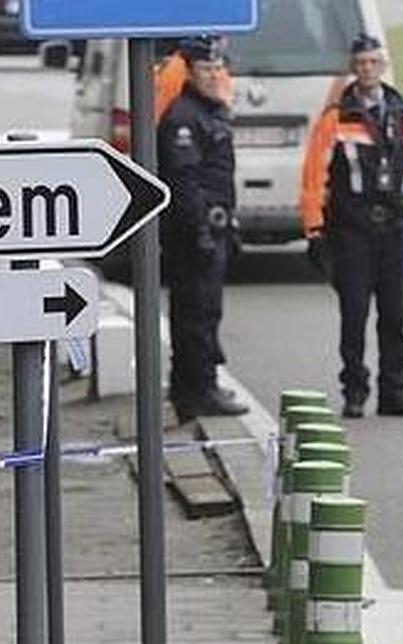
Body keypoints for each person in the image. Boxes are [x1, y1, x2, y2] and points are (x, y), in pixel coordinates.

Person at [300, 33, 403, 418]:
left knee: (394, 318)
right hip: (351, 233)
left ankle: (393, 392)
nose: (367, 69)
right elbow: (313, 177)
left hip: (395, 231)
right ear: (353, 69)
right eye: (360, 64)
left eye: (374, 62)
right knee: (354, 316)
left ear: (383, 65)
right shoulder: (335, 117)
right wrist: (314, 231)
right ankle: (355, 392)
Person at [157, 36, 247, 420]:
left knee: (203, 311)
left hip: (213, 225)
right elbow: (185, 181)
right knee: (197, 314)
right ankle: (200, 389)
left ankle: (188, 389)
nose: (212, 75)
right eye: (204, 70)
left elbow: (218, 176)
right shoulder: (184, 116)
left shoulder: (210, 111)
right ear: (189, 73)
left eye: (216, 69)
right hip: (192, 231)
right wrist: (200, 231)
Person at [155, 36, 234, 124]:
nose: (215, 76)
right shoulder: (176, 70)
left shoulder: (219, 71)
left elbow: (226, 109)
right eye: (206, 69)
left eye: (218, 68)